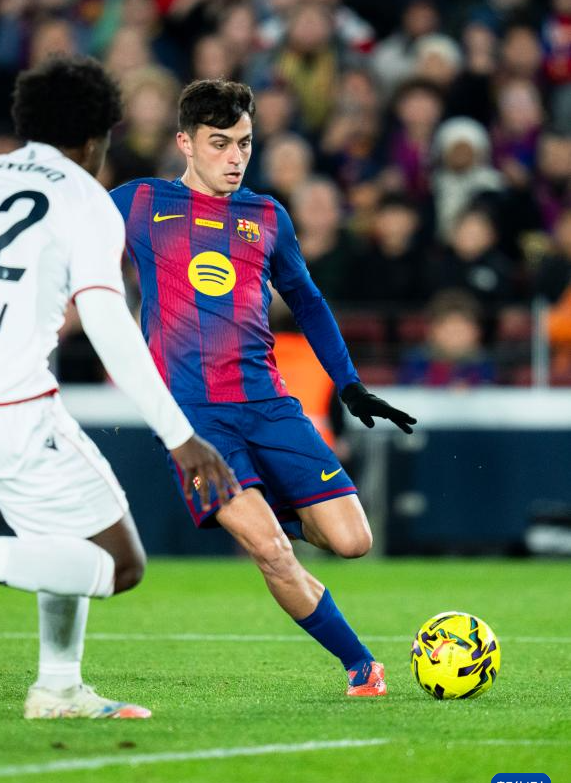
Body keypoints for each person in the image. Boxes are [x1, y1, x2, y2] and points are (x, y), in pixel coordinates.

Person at [0, 55, 237, 720]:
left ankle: (58, 688)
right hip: (5, 407)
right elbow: (106, 322)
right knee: (118, 564)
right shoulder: (85, 199)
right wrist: (181, 436)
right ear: (97, 136)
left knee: (60, 534)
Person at [108, 79, 416, 697]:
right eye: (219, 143)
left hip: (271, 407)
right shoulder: (138, 203)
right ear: (185, 143)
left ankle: (262, 508)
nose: (235, 157)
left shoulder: (266, 215)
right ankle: (361, 667)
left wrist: (350, 385)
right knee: (271, 550)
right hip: (193, 421)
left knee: (352, 541)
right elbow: (52, 213)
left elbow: (307, 300)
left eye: (245, 143)